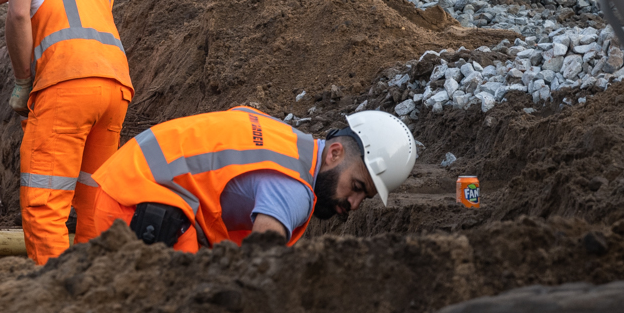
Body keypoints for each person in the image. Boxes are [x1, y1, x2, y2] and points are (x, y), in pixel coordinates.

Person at [80, 109, 416, 252]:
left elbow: (235, 117)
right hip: (134, 204)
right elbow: (260, 261)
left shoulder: (283, 137)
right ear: (335, 154)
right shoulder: (295, 190)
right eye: (356, 187)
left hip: (124, 181)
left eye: (364, 198)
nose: (352, 205)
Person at [4, 0, 133, 264]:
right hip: (116, 88)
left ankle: (53, 290)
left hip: (67, 86)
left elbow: (17, 13)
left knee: (45, 199)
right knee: (95, 197)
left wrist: (22, 81)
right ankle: (93, 280)